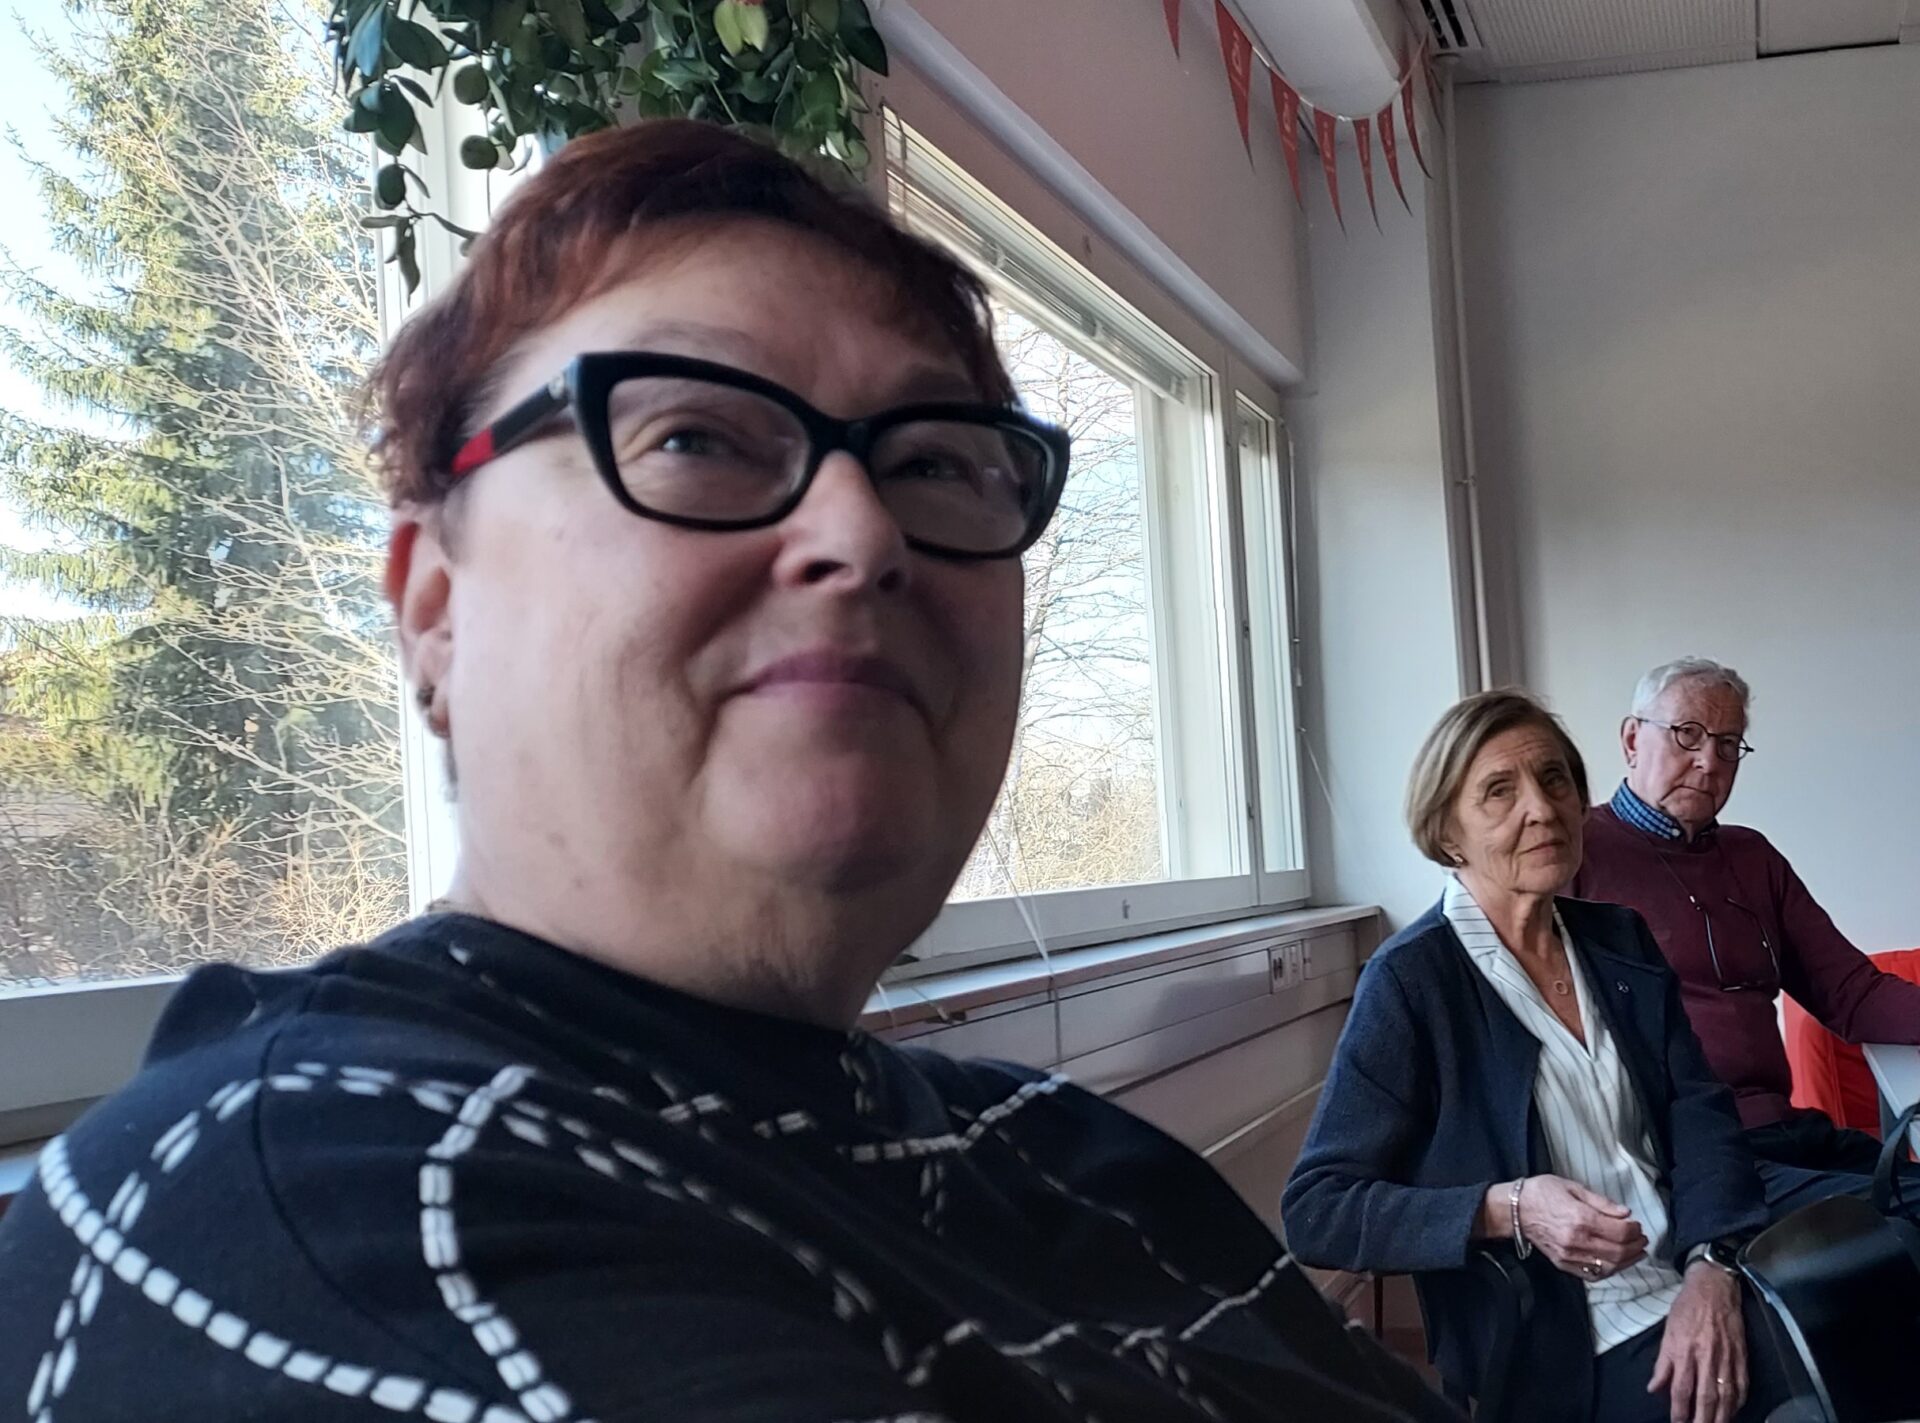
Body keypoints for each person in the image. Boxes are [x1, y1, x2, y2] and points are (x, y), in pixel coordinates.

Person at [0, 121, 1456, 1423]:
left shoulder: (1051, 1146)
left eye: (934, 463)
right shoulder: (318, 1205)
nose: (862, 534)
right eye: (693, 435)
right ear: (434, 609)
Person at [1284, 690, 1790, 1423]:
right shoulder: (1412, 981)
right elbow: (1317, 1210)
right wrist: (1509, 1207)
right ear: (1447, 832)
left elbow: (1700, 1114)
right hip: (1560, 1339)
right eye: (1499, 791)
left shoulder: (1619, 938)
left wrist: (1712, 1268)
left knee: (1868, 1310)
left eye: (1555, 780)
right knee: (1811, 1380)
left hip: (1692, 1274)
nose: (1542, 809)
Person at [1572, 657, 1920, 1187]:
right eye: (1688, 734)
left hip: (1786, 1132)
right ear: (1632, 739)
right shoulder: (1576, 855)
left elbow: (1853, 994)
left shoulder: (1753, 857)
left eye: (1728, 744)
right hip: (1687, 1155)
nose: (1709, 761)